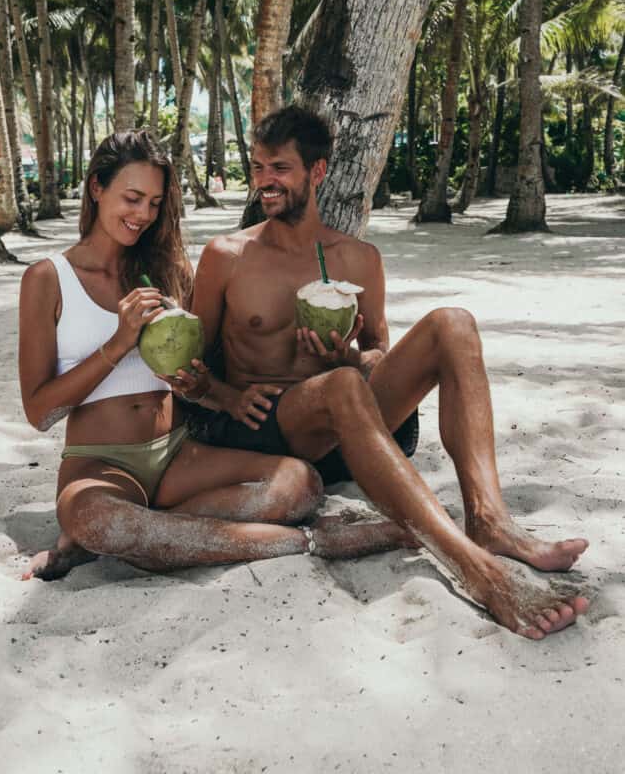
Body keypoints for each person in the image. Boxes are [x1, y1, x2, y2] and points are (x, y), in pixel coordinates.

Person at [175, 106, 590, 640]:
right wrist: (225, 395)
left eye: (279, 168)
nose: (264, 182)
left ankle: (489, 520)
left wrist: (346, 358)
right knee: (345, 387)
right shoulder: (227, 255)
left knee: (453, 325)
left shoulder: (358, 259)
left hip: (351, 423)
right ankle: (474, 568)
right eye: (257, 168)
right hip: (271, 429)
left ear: (317, 172)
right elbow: (191, 362)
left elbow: (377, 355)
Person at [19, 130, 414, 580]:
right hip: (100, 463)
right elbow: (39, 411)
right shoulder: (48, 278)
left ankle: (140, 539)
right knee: (99, 519)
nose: (143, 215)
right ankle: (312, 542)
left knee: (300, 484)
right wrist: (117, 344)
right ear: (96, 188)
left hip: (179, 455)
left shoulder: (166, 269)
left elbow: (194, 374)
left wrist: (227, 398)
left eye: (154, 202)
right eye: (132, 198)